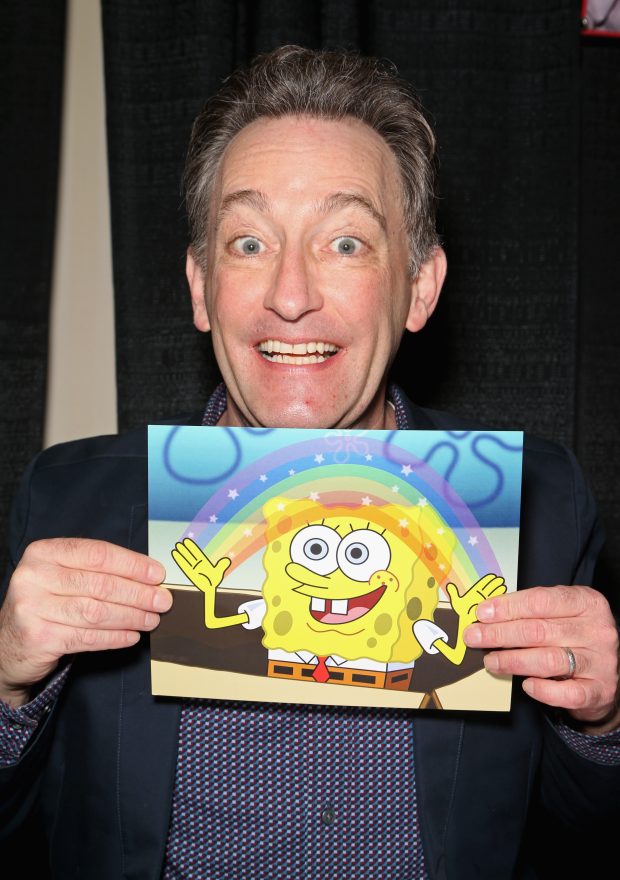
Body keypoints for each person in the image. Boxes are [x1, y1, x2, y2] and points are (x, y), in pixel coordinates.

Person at [0, 45, 618, 879]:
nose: (290, 295)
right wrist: (5, 691)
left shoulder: (540, 506)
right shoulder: (68, 503)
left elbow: (583, 836)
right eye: (249, 242)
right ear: (198, 287)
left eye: (347, 243)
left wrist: (603, 724)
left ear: (420, 288)